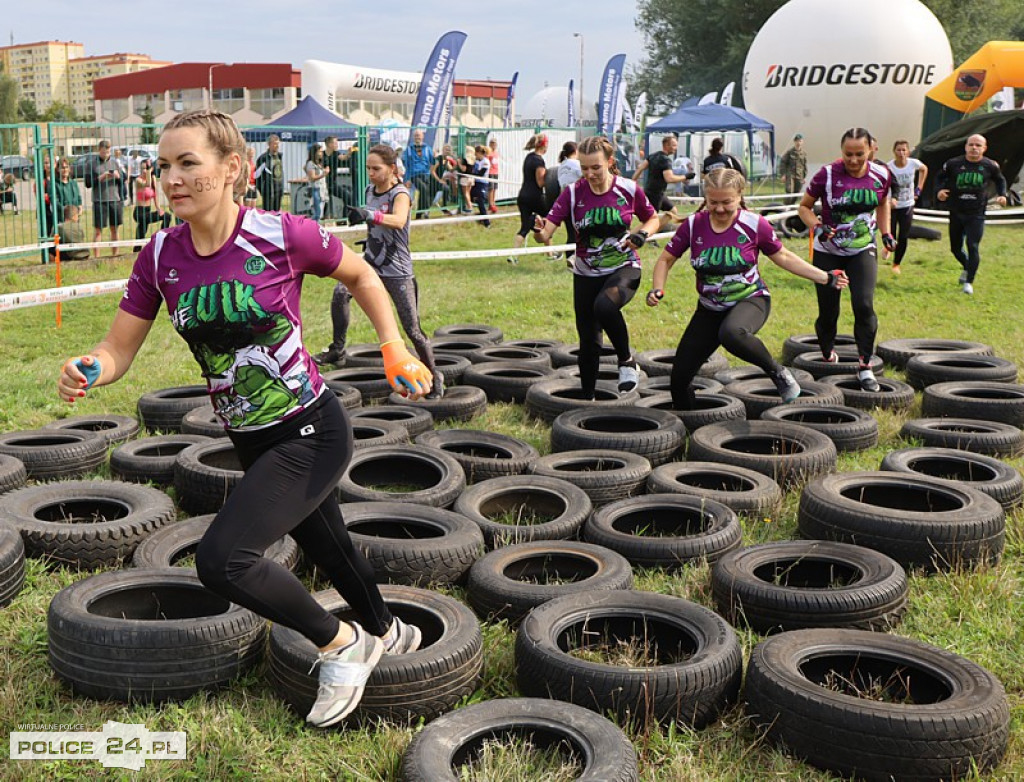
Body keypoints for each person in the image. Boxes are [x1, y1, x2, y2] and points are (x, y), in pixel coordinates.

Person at [58, 110, 432, 730]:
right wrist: (91, 366)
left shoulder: (280, 233)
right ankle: (387, 633)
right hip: (250, 439)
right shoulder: (158, 256)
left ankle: (342, 644)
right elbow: (118, 349)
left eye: (188, 163)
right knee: (332, 548)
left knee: (223, 559)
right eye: (163, 166)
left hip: (312, 427)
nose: (171, 179)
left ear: (232, 168)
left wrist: (393, 344)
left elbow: (361, 273)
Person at [647, 168, 849, 410]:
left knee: (731, 332)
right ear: (706, 198)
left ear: (740, 196)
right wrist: (657, 289)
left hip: (751, 300)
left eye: (727, 202)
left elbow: (783, 257)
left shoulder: (754, 224)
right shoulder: (694, 225)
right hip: (710, 308)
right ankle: (689, 427)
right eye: (713, 202)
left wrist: (824, 277)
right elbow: (665, 260)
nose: (720, 209)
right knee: (679, 379)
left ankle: (779, 373)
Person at [533, 135, 660, 395]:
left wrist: (641, 235)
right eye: (584, 168)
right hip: (586, 273)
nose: (590, 174)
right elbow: (546, 234)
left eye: (596, 167)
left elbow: (653, 219)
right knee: (589, 344)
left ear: (610, 162)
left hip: (624, 266)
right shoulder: (571, 194)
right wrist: (538, 232)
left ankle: (626, 362)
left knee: (604, 306)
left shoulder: (628, 188)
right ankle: (587, 400)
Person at [315, 143, 445, 398]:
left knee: (412, 329)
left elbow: (397, 221)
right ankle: (337, 349)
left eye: (377, 169)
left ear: (392, 169)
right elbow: (372, 221)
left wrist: (369, 214)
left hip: (397, 270)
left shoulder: (401, 194)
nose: (371, 173)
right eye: (368, 168)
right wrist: (361, 217)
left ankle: (434, 375)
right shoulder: (368, 190)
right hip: (371, 263)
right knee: (340, 293)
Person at [798, 127, 893, 393]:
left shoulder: (881, 174)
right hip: (828, 251)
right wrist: (816, 225)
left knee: (863, 304)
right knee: (829, 312)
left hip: (862, 249)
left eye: (859, 154)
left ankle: (865, 366)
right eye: (848, 154)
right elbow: (804, 207)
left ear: (871, 150)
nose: (853, 160)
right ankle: (827, 351)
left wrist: (886, 232)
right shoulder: (827, 175)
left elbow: (884, 202)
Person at [936, 133, 1007, 295]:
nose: (974, 148)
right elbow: (939, 177)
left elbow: (1000, 180)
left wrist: (1002, 194)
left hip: (976, 213)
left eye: (978, 145)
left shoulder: (990, 165)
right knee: (955, 248)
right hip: (956, 211)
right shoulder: (954, 163)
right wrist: (939, 190)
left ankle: (969, 282)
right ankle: (968, 267)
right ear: (966, 146)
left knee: (973, 246)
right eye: (971, 144)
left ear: (984, 148)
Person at [508, 133, 552, 265]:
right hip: (535, 196)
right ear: (544, 145)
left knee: (524, 227)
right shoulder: (539, 161)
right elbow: (540, 182)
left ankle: (513, 255)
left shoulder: (529, 157)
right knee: (550, 220)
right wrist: (550, 177)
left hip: (523, 196)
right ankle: (550, 253)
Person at [886, 140, 928, 275]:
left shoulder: (913, 163)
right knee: (890, 233)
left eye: (904, 150)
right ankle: (888, 248)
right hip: (892, 206)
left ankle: (896, 264)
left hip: (907, 204)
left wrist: (919, 188)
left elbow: (924, 169)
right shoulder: (889, 167)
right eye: (898, 150)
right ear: (894, 152)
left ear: (908, 152)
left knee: (903, 235)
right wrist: (888, 200)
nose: (901, 153)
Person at [633, 133, 694, 216]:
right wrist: (686, 176)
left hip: (652, 192)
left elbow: (640, 168)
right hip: (655, 195)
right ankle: (655, 228)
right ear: (666, 145)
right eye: (674, 145)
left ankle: (664, 227)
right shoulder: (666, 160)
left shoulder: (652, 156)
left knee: (673, 211)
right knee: (651, 220)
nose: (676, 148)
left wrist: (632, 182)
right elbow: (669, 179)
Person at [84, 139, 125, 258]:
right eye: (103, 152)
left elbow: (123, 180)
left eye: (107, 152)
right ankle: (96, 257)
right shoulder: (91, 164)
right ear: (99, 150)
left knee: (115, 229)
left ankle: (115, 255)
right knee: (98, 230)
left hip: (115, 200)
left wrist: (118, 177)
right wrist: (100, 178)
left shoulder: (115, 163)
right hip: (99, 201)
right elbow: (87, 183)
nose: (105, 154)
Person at [132, 159, 171, 250]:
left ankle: (161, 239)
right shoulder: (138, 180)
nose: (144, 171)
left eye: (146, 168)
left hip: (147, 211)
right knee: (142, 226)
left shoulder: (153, 179)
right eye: (142, 169)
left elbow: (155, 195)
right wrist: (149, 172)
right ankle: (137, 248)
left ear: (151, 169)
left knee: (166, 216)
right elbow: (147, 184)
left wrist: (158, 209)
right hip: (139, 212)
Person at [402, 128, 435, 219]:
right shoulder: (409, 149)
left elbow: (433, 161)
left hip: (426, 174)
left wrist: (431, 171)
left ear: (422, 136)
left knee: (425, 192)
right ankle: (425, 211)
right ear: (413, 137)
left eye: (419, 135)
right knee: (424, 189)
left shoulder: (427, 148)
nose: (417, 137)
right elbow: (406, 164)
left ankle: (419, 214)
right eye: (416, 135)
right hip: (414, 175)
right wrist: (407, 178)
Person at [556, 141, 582, 257]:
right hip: (578, 201)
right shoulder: (577, 164)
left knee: (571, 233)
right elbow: (585, 176)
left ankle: (570, 258)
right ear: (576, 151)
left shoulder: (561, 166)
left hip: (565, 200)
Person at [255, 134, 284, 212]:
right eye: (275, 144)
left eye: (278, 144)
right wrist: (262, 189)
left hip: (278, 190)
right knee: (267, 214)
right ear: (269, 144)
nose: (277, 146)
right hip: (268, 191)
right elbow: (257, 176)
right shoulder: (263, 158)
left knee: (277, 214)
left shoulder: (279, 156)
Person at [778, 134, 807, 202]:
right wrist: (783, 174)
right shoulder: (789, 152)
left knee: (797, 192)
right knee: (789, 191)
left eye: (800, 141)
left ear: (802, 142)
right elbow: (783, 163)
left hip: (799, 176)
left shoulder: (803, 153)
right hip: (790, 175)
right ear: (794, 142)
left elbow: (804, 166)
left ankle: (791, 206)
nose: (798, 143)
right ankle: (786, 208)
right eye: (797, 141)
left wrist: (804, 177)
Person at [304, 143, 328, 222]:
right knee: (317, 213)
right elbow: (312, 178)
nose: (321, 153)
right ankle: (310, 227)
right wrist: (323, 174)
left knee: (320, 213)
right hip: (315, 189)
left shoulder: (319, 163)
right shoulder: (311, 163)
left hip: (321, 189)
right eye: (319, 152)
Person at [469, 145, 492, 228]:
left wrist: (470, 173)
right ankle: (480, 215)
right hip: (476, 183)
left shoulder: (486, 161)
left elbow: (481, 174)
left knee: (481, 202)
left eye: (476, 153)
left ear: (479, 153)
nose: (475, 155)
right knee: (470, 196)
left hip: (482, 184)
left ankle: (487, 223)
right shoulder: (476, 161)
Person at [53, 158, 82, 223]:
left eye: (66, 167)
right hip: (61, 217)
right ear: (58, 169)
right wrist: (66, 210)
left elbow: (78, 197)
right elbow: (55, 201)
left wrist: (80, 206)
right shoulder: (54, 184)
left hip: (75, 217)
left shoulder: (73, 183)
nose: (65, 170)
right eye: (62, 168)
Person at [486, 138, 500, 213]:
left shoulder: (496, 153)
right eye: (492, 143)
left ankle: (493, 202)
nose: (494, 145)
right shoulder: (489, 153)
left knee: (495, 188)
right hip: (490, 172)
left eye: (495, 144)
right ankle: (490, 203)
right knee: (491, 188)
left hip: (496, 172)